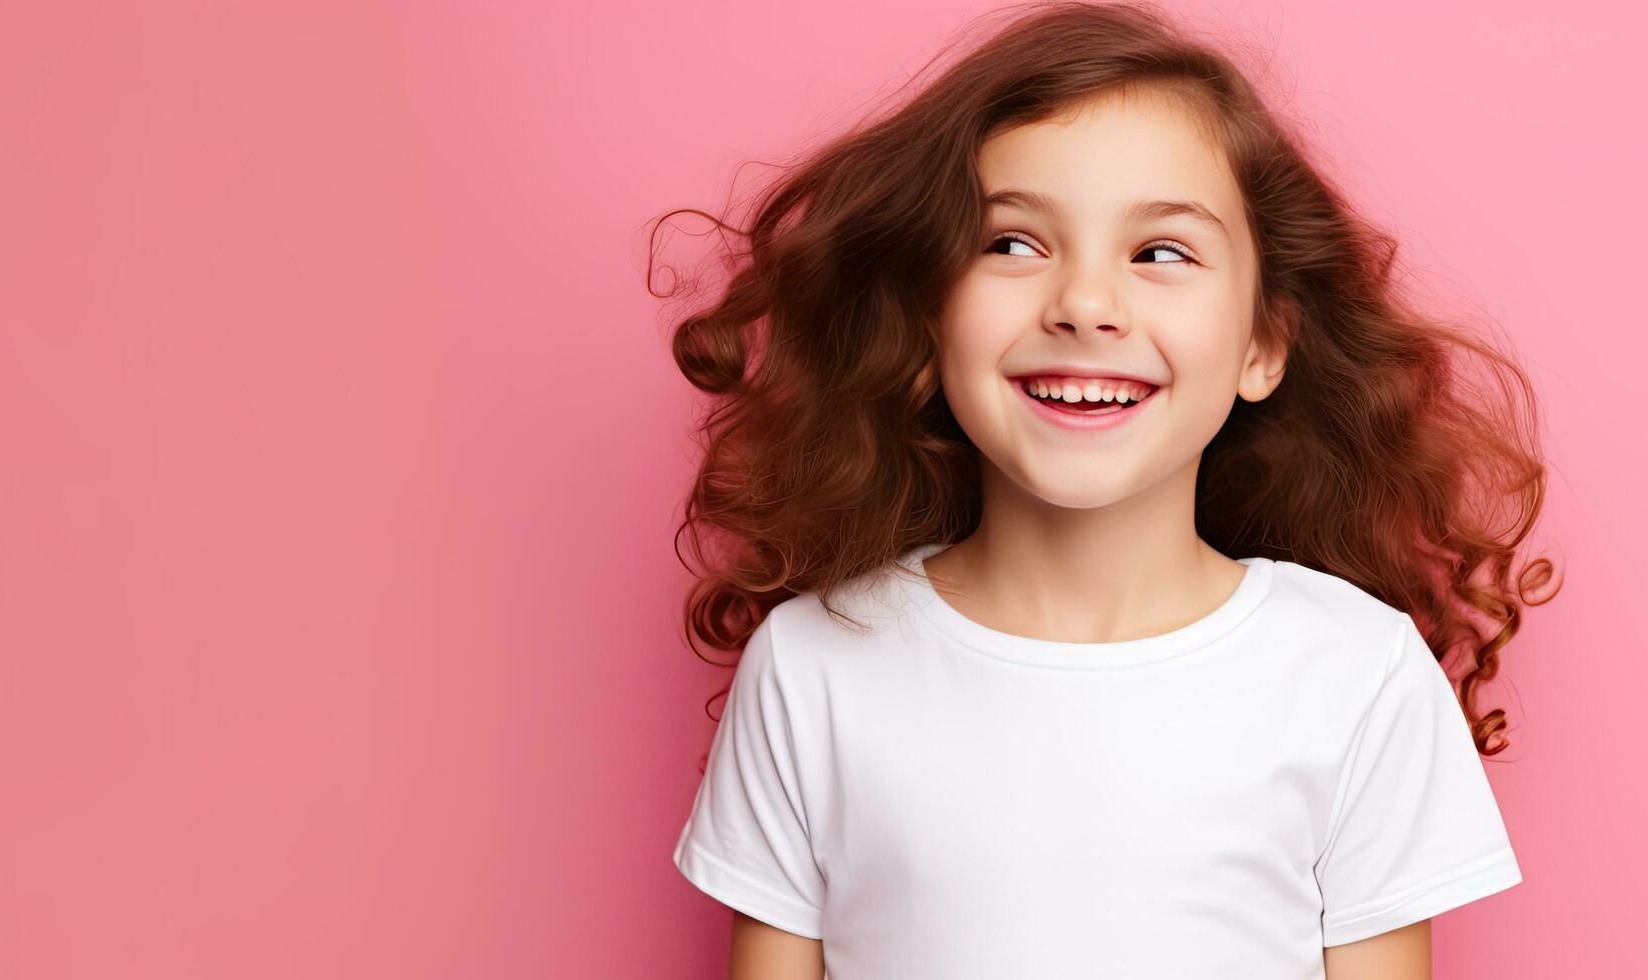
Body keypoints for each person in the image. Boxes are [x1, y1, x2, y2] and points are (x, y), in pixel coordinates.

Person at [654, 3, 1560, 978]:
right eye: (1010, 243)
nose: (1084, 304)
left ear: (1262, 343)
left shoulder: (1356, 674)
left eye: (1159, 253)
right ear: (927, 320)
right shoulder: (812, 667)